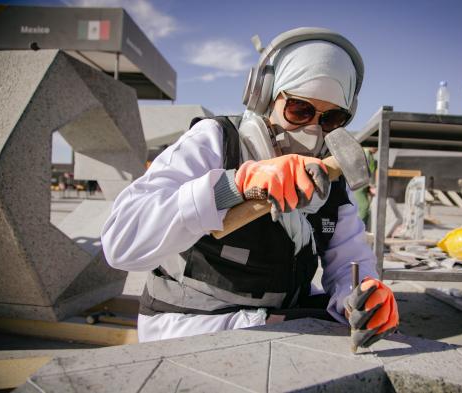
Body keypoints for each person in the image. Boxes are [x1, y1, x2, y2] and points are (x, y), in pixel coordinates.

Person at [101, 28, 398, 347]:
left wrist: (362, 294)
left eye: (331, 119)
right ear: (265, 95)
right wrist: (235, 185)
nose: (312, 131)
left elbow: (349, 258)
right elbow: (121, 244)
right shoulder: (215, 141)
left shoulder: (332, 178)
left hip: (277, 317)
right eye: (300, 110)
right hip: (193, 321)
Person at [353, 147, 377, 230]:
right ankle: (359, 228)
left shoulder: (369, 154)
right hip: (360, 184)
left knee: (363, 207)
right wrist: (370, 185)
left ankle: (360, 228)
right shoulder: (366, 153)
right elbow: (363, 170)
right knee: (364, 206)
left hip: (363, 184)